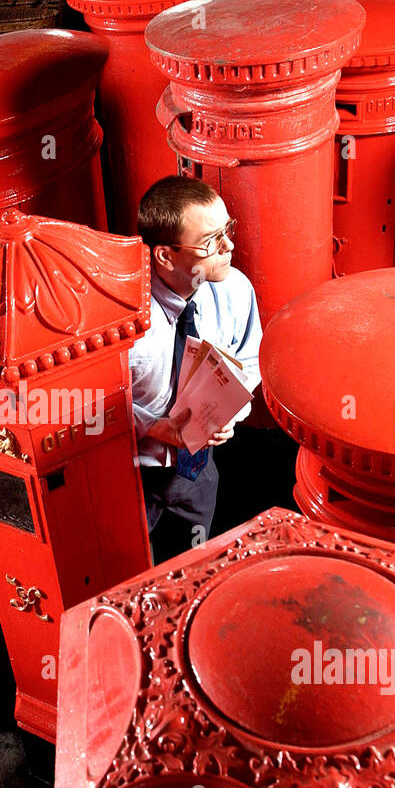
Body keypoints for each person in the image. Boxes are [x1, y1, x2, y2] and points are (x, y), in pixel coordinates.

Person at [130, 176, 263, 564]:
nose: (229, 247)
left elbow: (249, 359)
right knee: (135, 578)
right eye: (210, 241)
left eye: (227, 230)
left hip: (198, 472)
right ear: (166, 256)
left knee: (195, 564)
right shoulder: (122, 317)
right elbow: (89, 398)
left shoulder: (235, 288)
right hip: (134, 475)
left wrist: (230, 415)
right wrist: (151, 426)